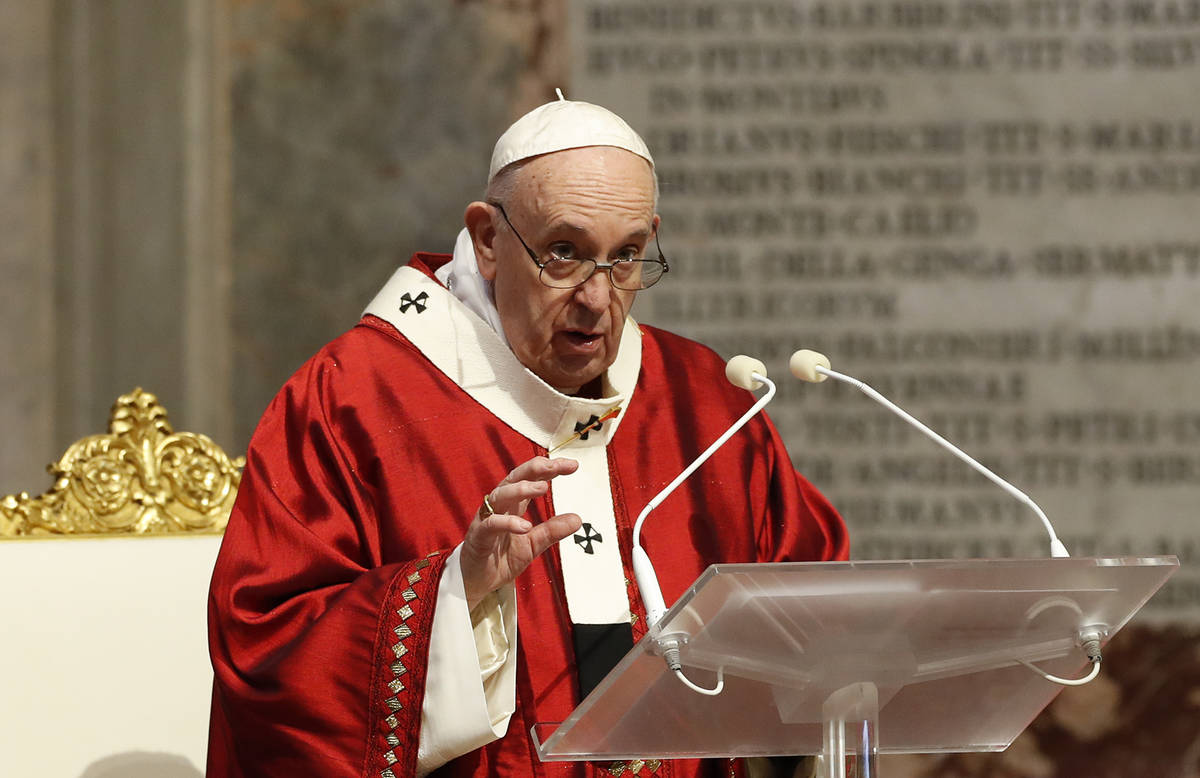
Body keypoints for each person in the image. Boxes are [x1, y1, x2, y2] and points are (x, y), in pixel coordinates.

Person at [206, 96, 848, 778]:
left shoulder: (705, 404)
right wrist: (457, 592)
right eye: (564, 254)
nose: (599, 299)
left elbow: (816, 626)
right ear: (487, 240)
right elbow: (268, 649)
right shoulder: (354, 399)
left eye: (626, 257)